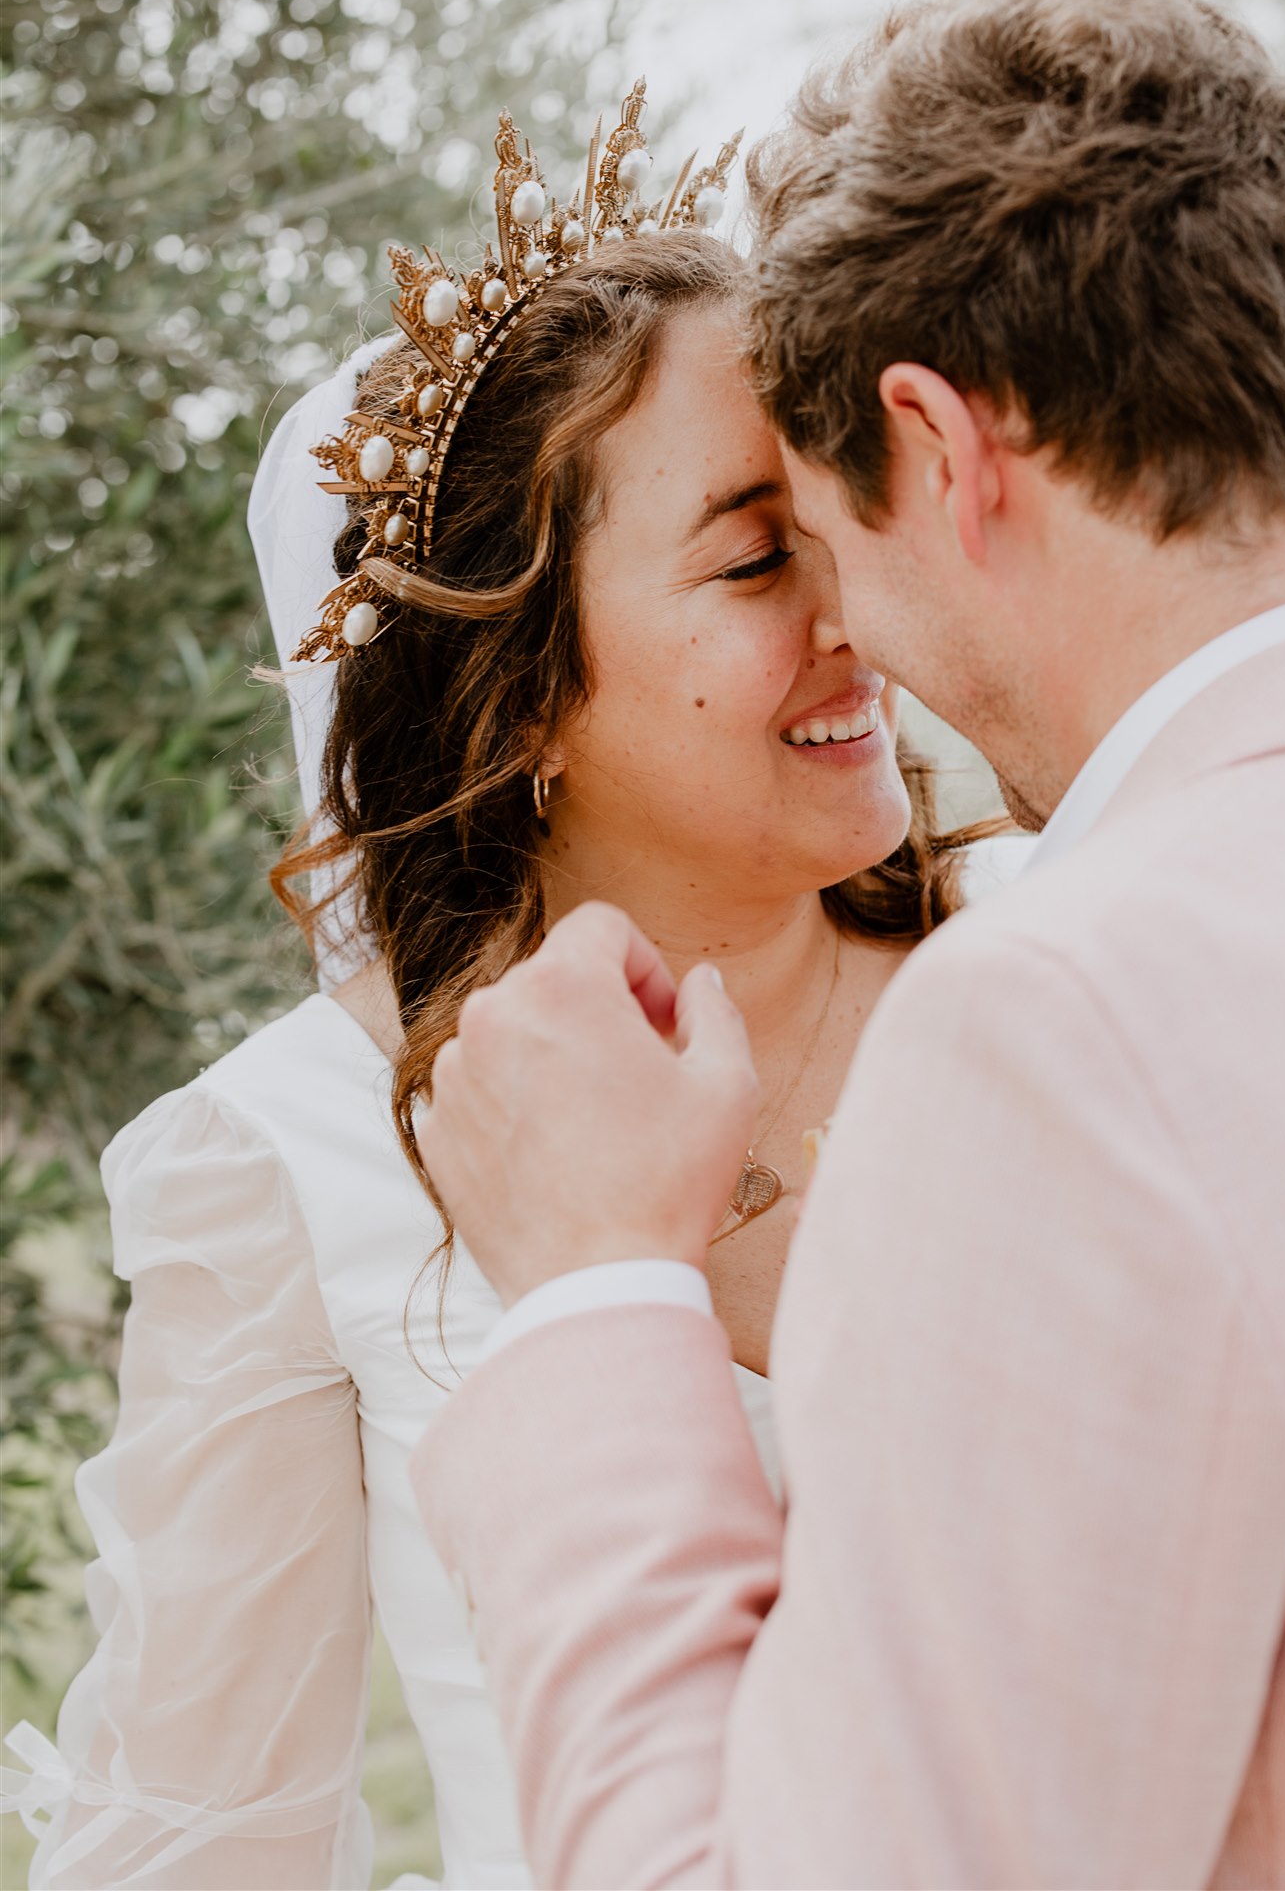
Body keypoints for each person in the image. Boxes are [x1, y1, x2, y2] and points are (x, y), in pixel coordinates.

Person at [408, 0, 1285, 1890]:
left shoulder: (1065, 1024)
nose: (839, 622)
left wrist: (594, 1293)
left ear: (935, 446)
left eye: (817, 528)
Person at [1, 93, 1022, 1890]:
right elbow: (215, 1830)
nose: (854, 611)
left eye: (838, 519)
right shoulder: (296, 1156)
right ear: (524, 696)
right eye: (751, 557)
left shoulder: (1056, 967)